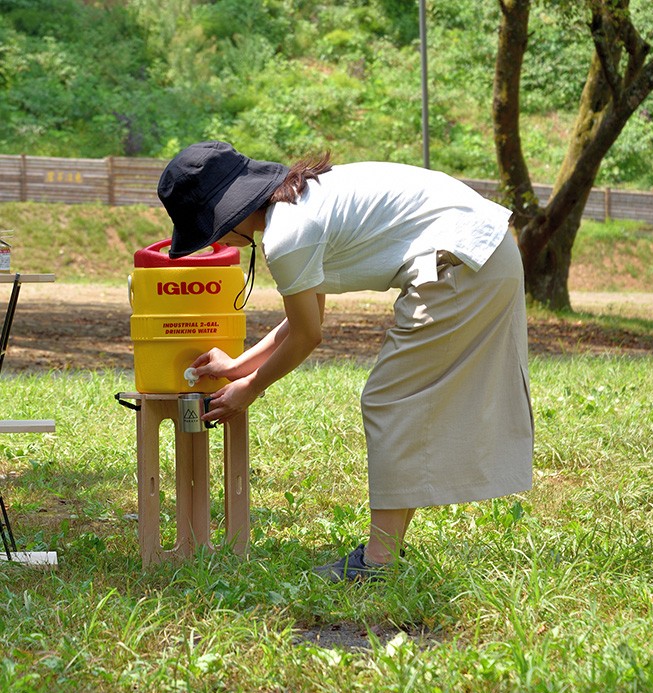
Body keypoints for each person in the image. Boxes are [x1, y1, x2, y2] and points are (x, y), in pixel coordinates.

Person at [157, 140, 534, 582]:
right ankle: (385, 552)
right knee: (404, 403)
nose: (214, 240)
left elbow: (308, 336)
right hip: (484, 253)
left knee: (390, 400)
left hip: (463, 264)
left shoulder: (286, 235)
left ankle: (378, 564)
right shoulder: (301, 201)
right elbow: (306, 320)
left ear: (229, 213)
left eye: (208, 229)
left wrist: (251, 388)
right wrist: (238, 368)